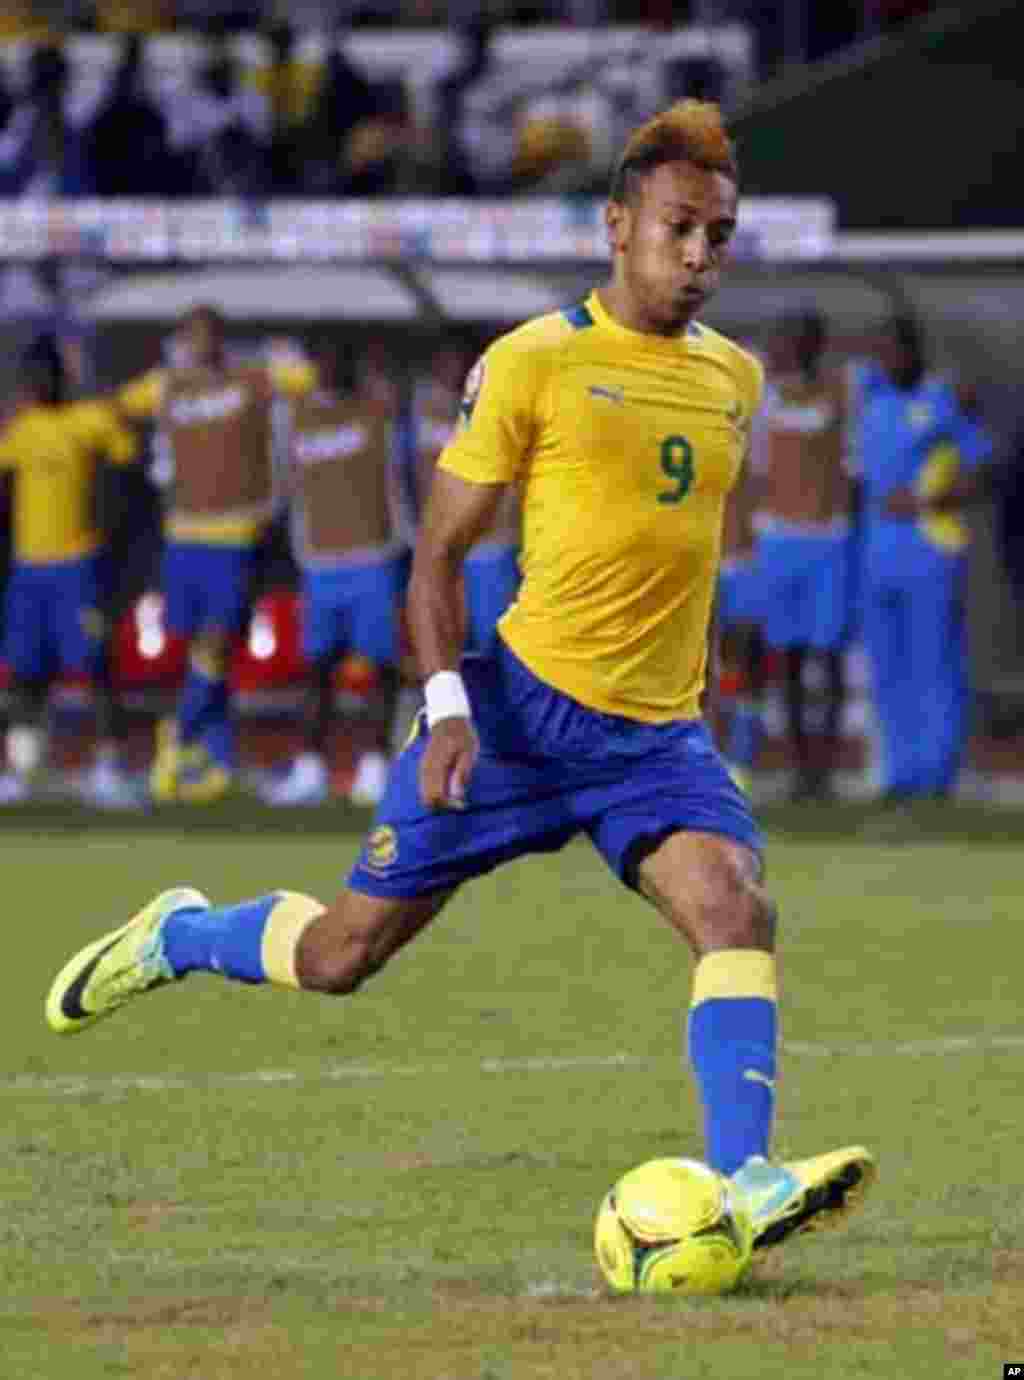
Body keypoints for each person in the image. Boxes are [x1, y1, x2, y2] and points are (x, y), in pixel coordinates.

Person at [45, 101, 875, 1254]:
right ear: (616, 226)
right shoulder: (533, 362)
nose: (698, 258)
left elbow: (673, 551)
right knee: (340, 956)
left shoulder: (733, 377)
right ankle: (184, 934)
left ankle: (746, 1179)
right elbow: (434, 557)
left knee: (735, 907)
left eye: (718, 237)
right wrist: (444, 710)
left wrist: (695, 681)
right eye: (679, 229)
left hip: (654, 739)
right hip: (517, 721)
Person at [116, 304, 317, 803]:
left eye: (209, 335)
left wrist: (279, 359)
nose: (200, 344)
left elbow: (306, 378)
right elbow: (123, 403)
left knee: (217, 642)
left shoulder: (249, 379)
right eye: (192, 336)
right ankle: (219, 763)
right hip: (182, 532)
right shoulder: (168, 385)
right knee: (200, 652)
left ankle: (178, 738)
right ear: (183, 341)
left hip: (234, 533)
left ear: (221, 340)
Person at [852, 314, 992, 801]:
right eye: (882, 352)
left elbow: (981, 469)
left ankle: (938, 774)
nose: (889, 360)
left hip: (930, 547)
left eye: (898, 351)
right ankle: (899, 774)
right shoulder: (871, 397)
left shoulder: (943, 401)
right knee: (887, 666)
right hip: (875, 552)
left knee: (934, 662)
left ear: (915, 353)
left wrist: (928, 501)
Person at [0, 335, 141, 808]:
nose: (39, 382)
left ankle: (107, 769)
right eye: (31, 374)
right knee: (24, 674)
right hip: (27, 571)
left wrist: (114, 538)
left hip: (77, 566)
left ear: (62, 376)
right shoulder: (20, 430)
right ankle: (20, 773)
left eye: (47, 373)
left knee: (95, 668)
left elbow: (125, 462)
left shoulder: (89, 421)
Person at [262, 343, 404, 808]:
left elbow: (397, 478)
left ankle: (375, 766)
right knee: (317, 668)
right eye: (323, 360)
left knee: (380, 669)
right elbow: (282, 483)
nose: (331, 367)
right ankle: (309, 768)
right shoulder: (294, 417)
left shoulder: (377, 411)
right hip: (319, 561)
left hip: (372, 555)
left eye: (340, 360)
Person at [756, 310, 853, 800]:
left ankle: (827, 768)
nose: (785, 348)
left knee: (828, 655)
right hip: (779, 539)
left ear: (814, 345)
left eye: (795, 340)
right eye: (781, 339)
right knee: (788, 656)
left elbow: (845, 464)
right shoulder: (763, 396)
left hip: (827, 539)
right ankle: (799, 768)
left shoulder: (838, 392)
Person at [406, 338, 521, 658]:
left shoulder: (498, 401)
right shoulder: (421, 406)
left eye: (460, 361)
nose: (452, 369)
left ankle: (499, 706)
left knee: (493, 641)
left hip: (491, 544)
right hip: (441, 544)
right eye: (445, 361)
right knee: (445, 639)